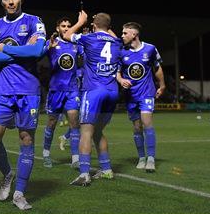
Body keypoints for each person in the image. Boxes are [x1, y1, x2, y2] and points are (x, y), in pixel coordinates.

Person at [0, 0, 47, 210]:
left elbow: (38, 49)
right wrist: (24, 51)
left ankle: (19, 193)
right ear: (1, 1)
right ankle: (7, 173)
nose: (11, 1)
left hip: (28, 90)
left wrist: (6, 48)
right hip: (1, 90)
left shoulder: (34, 21)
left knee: (26, 140)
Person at [62, 11, 122, 186]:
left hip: (94, 90)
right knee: (98, 131)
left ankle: (84, 174)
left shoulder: (89, 39)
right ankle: (107, 169)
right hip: (112, 92)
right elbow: (111, 35)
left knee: (86, 132)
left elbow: (66, 35)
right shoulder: (117, 41)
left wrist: (81, 21)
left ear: (94, 26)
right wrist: (103, 25)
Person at [117, 22, 165, 172]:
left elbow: (157, 68)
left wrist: (162, 85)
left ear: (134, 34)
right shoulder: (121, 52)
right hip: (131, 96)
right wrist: (120, 80)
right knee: (137, 127)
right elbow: (117, 72)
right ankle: (141, 157)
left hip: (146, 92)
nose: (122, 35)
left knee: (147, 122)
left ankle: (151, 159)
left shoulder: (150, 49)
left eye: (125, 33)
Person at [42, 17, 82, 169]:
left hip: (72, 90)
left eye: (68, 26)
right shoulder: (52, 42)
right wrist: (49, 47)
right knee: (51, 123)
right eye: (63, 26)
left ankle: (75, 159)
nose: (66, 28)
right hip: (56, 90)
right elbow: (40, 54)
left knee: (74, 123)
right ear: (57, 28)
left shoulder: (76, 45)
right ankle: (46, 153)